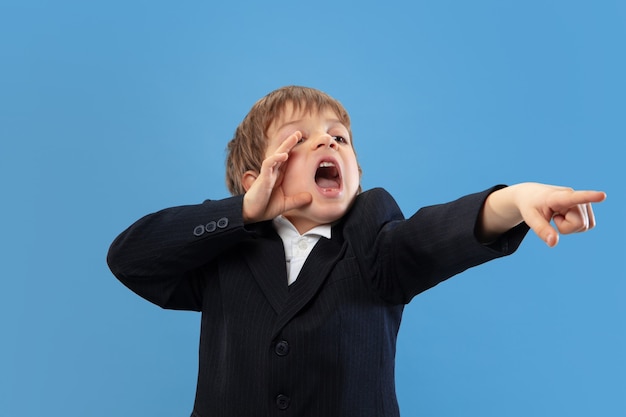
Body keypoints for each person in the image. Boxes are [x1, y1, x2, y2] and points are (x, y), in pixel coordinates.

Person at [107, 86, 605, 417]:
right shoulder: (222, 253)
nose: (328, 140)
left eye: (340, 137)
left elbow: (431, 237)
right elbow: (132, 257)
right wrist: (243, 213)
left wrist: (514, 200)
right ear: (255, 180)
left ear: (358, 176)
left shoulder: (374, 238)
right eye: (301, 138)